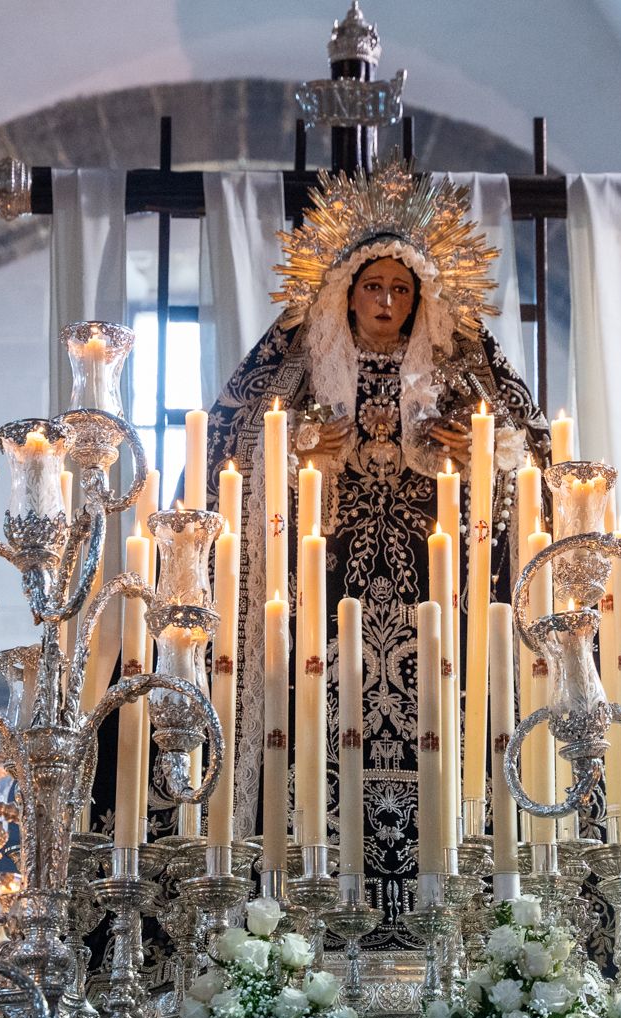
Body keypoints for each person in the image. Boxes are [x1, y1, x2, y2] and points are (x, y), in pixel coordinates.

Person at [204, 157, 549, 944]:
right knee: (315, 729)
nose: (387, 302)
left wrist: (483, 455)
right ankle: (303, 904)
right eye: (372, 287)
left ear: (422, 296)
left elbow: (530, 469)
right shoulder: (296, 367)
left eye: (400, 288)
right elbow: (229, 457)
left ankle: (449, 909)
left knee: (447, 732)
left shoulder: (462, 369)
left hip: (439, 611)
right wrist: (293, 446)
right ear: (344, 292)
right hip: (321, 602)